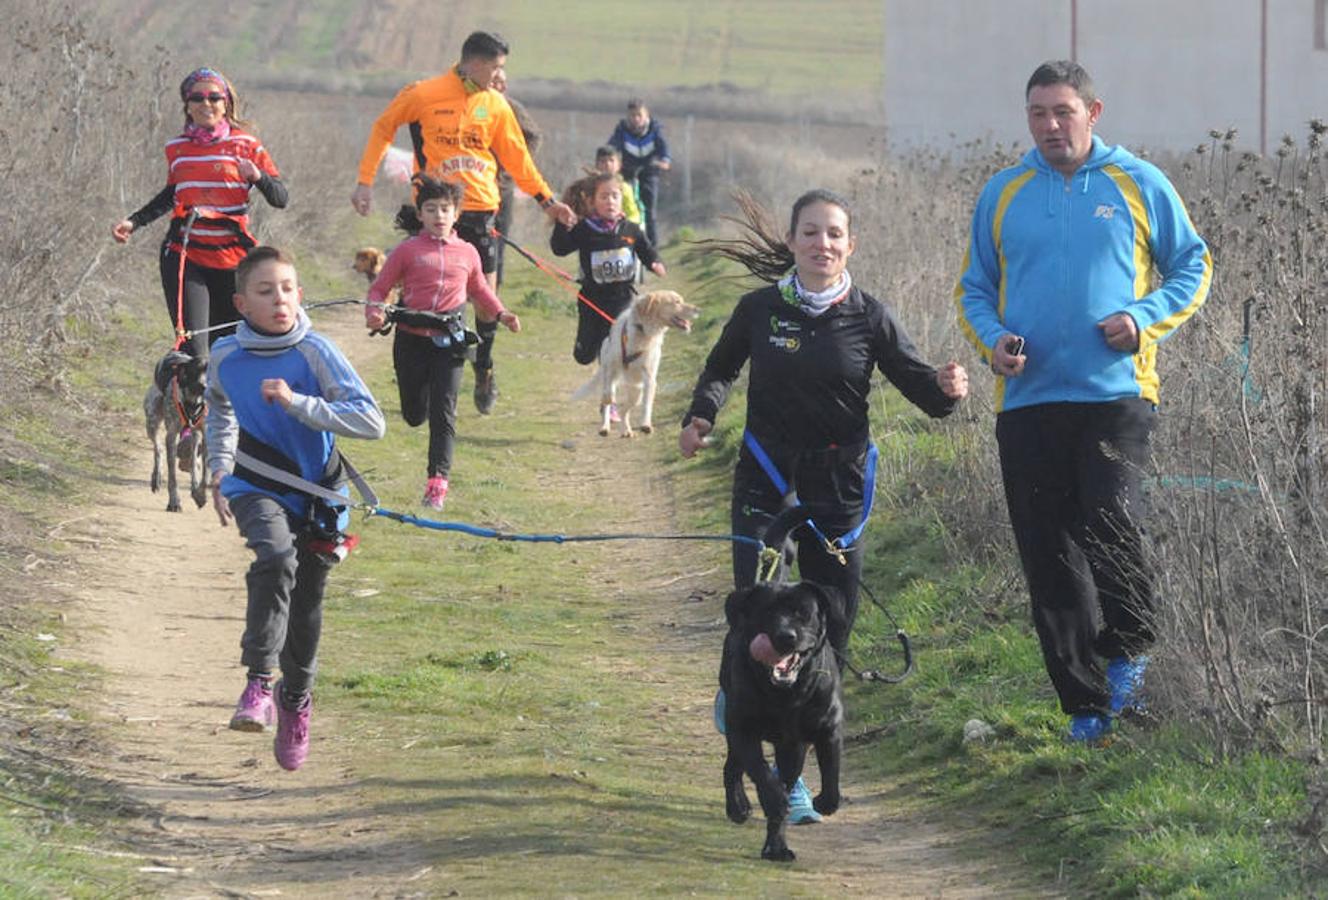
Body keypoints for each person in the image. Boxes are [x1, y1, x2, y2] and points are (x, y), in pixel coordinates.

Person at [680, 189, 968, 820]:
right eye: (810, 233)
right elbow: (721, 369)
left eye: (834, 234)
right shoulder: (759, 309)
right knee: (759, 620)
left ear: (850, 245)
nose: (822, 244)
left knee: (827, 632)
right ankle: (770, 753)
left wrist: (948, 391)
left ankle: (795, 759)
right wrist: (701, 417)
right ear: (791, 242)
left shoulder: (869, 317)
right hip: (765, 477)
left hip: (837, 490)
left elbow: (922, 389)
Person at [954, 60, 1212, 743]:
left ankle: (1130, 660)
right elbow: (973, 288)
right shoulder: (1004, 193)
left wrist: (1141, 319)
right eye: (1037, 113)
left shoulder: (1137, 182)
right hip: (1029, 400)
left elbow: (1194, 264)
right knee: (1049, 555)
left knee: (1113, 517)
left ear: (1093, 114)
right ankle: (1086, 708)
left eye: (1062, 112)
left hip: (1117, 395)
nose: (1049, 126)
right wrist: (993, 341)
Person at [207, 246, 386, 771]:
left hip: (319, 496)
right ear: (241, 303)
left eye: (287, 288)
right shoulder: (225, 357)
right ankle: (258, 684)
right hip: (254, 487)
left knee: (306, 605)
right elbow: (218, 409)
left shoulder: (316, 352)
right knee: (275, 556)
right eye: (265, 291)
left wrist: (299, 404)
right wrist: (220, 467)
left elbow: (371, 423)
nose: (279, 299)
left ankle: (295, 700)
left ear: (300, 294)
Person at [351, 30, 575, 416]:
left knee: (487, 299)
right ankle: (416, 372)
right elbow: (383, 128)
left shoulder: (496, 105)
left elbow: (519, 159)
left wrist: (548, 202)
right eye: (496, 67)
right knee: (421, 295)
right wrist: (365, 182)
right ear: (475, 62)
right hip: (432, 211)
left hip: (480, 211)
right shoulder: (423, 94)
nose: (500, 75)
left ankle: (484, 365)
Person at [365, 176, 521, 510]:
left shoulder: (468, 252)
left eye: (445, 209)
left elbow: (479, 289)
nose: (438, 215)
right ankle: (415, 414)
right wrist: (375, 312)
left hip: (450, 341)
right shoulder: (406, 251)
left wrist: (502, 313)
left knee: (444, 411)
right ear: (420, 215)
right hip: (410, 340)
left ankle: (437, 483)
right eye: (431, 209)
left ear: (457, 214)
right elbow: (380, 288)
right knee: (413, 414)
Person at [112, 68, 287, 360]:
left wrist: (258, 177)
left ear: (226, 103)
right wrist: (134, 221)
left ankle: (227, 405)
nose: (206, 103)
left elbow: (280, 198)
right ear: (187, 105)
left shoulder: (247, 145)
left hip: (233, 260)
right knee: (195, 349)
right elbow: (172, 194)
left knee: (232, 347)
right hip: (185, 254)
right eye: (197, 97)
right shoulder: (176, 148)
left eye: (214, 97)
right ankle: (182, 402)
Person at [551, 171, 665, 367]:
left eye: (615, 196)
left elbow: (646, 249)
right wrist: (561, 225)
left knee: (612, 349)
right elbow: (560, 249)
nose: (610, 201)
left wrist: (654, 263)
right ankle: (591, 352)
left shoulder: (631, 230)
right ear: (592, 202)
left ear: (622, 198)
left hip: (622, 299)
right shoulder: (585, 229)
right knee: (584, 356)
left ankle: (608, 391)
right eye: (604, 197)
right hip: (591, 299)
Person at [490, 69, 543, 288]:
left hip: (502, 187)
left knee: (499, 239)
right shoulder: (472, 105)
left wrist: (515, 163)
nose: (500, 86)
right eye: (496, 81)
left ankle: (495, 290)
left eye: (503, 82)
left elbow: (534, 136)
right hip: (471, 187)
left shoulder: (511, 107)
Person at [607, 98, 671, 247]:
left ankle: (651, 246)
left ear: (646, 116)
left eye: (639, 115)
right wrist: (609, 160)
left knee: (649, 208)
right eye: (632, 116)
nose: (635, 119)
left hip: (649, 169)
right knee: (624, 203)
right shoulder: (622, 130)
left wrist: (665, 160)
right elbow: (612, 147)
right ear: (628, 117)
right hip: (627, 169)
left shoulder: (654, 130)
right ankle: (623, 238)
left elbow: (663, 148)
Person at [594, 145, 642, 226]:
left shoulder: (624, 188)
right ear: (597, 165)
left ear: (619, 165)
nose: (607, 164)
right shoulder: (590, 187)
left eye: (611, 160)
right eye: (603, 161)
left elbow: (633, 215)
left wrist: (625, 225)